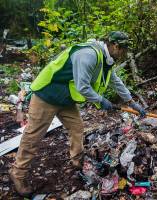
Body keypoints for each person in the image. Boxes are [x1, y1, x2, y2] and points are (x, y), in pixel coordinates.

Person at [9, 31, 146, 197]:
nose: (124, 53)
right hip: (47, 95)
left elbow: (116, 82)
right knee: (33, 136)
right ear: (115, 46)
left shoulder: (106, 61)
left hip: (65, 100)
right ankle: (18, 174)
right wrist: (101, 100)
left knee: (77, 128)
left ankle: (77, 161)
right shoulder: (88, 55)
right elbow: (82, 86)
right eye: (123, 49)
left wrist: (132, 102)